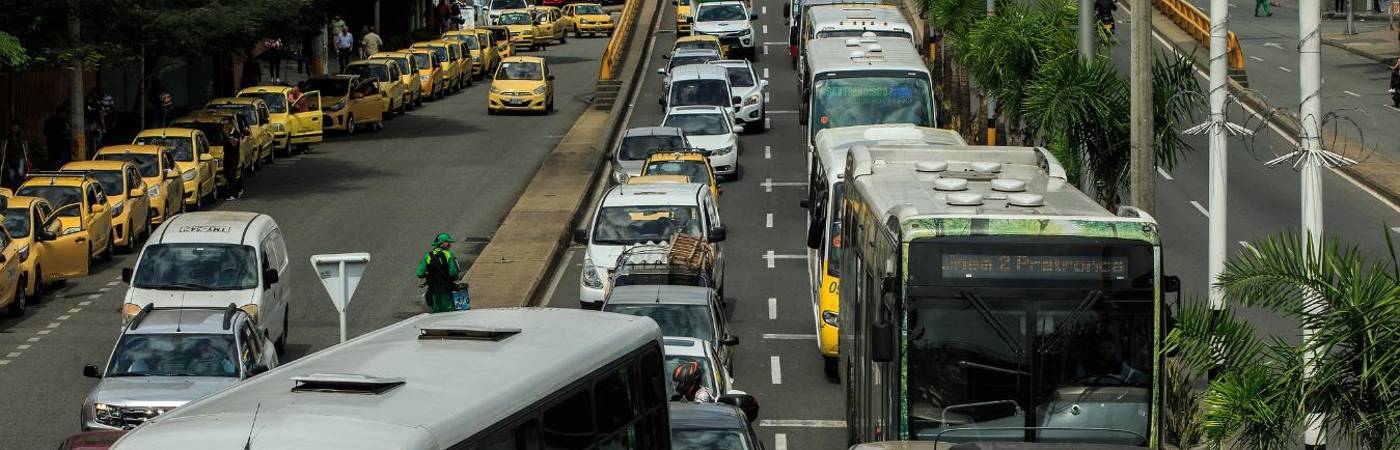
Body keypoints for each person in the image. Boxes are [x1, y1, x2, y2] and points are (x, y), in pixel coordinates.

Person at [416, 232, 463, 313]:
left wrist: (429, 275)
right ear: (442, 243)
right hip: (446, 288)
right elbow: (453, 273)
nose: (449, 244)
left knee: (436, 311)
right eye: (448, 242)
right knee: (448, 311)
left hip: (433, 289)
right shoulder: (449, 255)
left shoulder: (428, 256)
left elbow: (419, 273)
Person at [2, 121, 29, 189]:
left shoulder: (21, 135)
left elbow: (25, 144)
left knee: (20, 173)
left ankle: (20, 186)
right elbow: (3, 145)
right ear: (11, 127)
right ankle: (13, 186)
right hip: (10, 158)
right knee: (11, 174)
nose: (15, 129)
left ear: (19, 128)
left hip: (20, 157)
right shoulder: (8, 135)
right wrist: (2, 154)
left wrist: (26, 154)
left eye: (16, 128)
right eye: (14, 127)